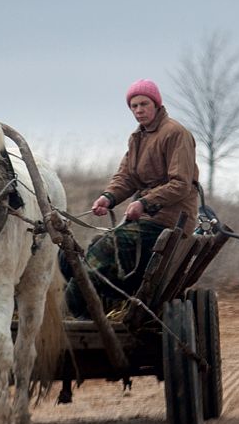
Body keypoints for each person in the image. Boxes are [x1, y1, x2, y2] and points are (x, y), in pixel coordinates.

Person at [65, 78, 200, 319]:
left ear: (156, 104)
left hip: (170, 219)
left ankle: (80, 311)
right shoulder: (137, 138)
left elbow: (180, 184)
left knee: (104, 250)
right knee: (88, 249)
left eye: (143, 104)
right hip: (146, 219)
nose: (138, 110)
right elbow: (126, 177)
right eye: (133, 106)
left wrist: (144, 203)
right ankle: (97, 306)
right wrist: (108, 198)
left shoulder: (175, 134)